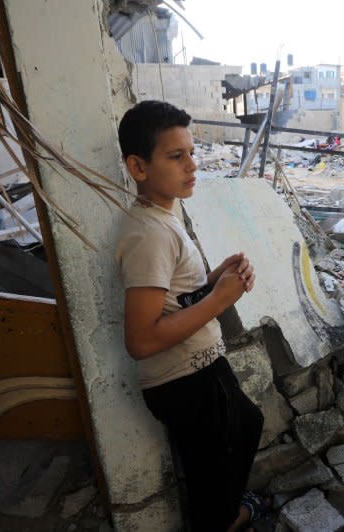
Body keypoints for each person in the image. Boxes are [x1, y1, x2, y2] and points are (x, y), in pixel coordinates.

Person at [115, 100, 266, 532]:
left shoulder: (164, 217)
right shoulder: (148, 234)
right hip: (184, 383)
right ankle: (226, 519)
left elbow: (175, 301)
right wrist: (218, 301)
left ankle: (226, 512)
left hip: (200, 369)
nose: (192, 166)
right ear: (139, 168)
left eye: (192, 153)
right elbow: (141, 341)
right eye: (176, 157)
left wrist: (216, 279)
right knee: (211, 481)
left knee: (243, 429)